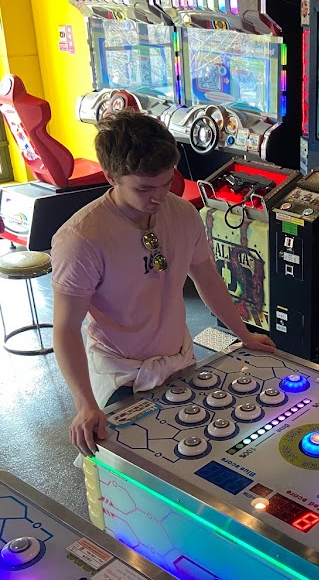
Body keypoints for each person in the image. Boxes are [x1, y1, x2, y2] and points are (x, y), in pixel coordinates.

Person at [52, 110, 275, 457]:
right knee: (127, 471)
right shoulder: (82, 238)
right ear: (111, 177)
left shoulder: (183, 213)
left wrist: (243, 334)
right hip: (122, 372)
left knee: (193, 453)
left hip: (179, 358)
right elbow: (66, 329)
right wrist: (84, 404)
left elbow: (207, 278)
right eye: (143, 188)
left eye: (166, 183)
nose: (158, 198)